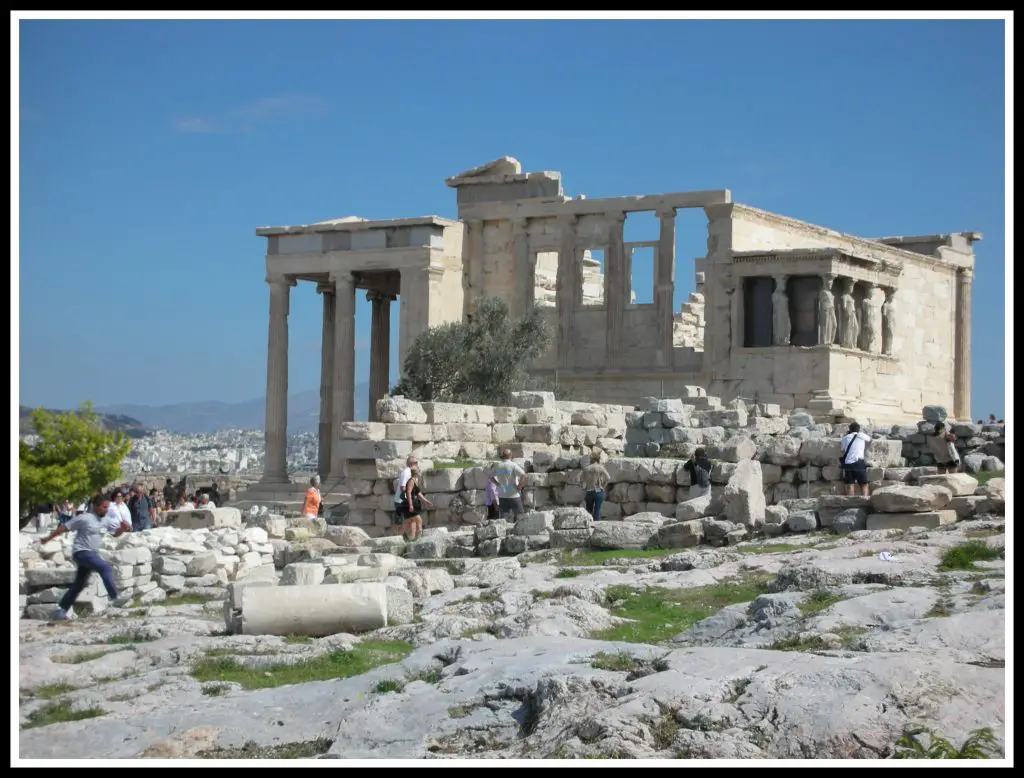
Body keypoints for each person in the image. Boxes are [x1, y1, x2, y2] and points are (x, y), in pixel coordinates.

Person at [40, 494, 132, 620]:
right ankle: (115, 597)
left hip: (92, 553)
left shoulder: (106, 520)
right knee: (105, 568)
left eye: (108, 507)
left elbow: (115, 534)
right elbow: (63, 528)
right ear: (96, 506)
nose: (106, 510)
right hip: (81, 552)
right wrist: (47, 538)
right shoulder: (84, 518)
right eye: (104, 507)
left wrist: (122, 529)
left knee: (79, 584)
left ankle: (61, 611)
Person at [398, 462, 432, 541]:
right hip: (409, 504)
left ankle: (401, 537)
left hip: (414, 503)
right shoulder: (411, 481)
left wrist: (425, 501)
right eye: (418, 470)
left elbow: (418, 492)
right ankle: (419, 536)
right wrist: (410, 505)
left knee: (408, 522)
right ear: (416, 472)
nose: (419, 471)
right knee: (418, 519)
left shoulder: (415, 479)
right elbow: (409, 493)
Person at [492, 448, 527, 521]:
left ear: (503, 456)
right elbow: (523, 474)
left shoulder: (498, 466)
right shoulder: (513, 465)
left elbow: (489, 476)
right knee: (520, 515)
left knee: (503, 516)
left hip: (502, 494)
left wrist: (497, 483)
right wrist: (519, 486)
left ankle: (503, 530)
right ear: (511, 455)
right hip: (513, 494)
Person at [839, 422, 872, 497]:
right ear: (859, 429)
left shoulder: (845, 438)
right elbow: (870, 441)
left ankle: (851, 503)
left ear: (849, 429)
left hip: (848, 463)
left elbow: (842, 449)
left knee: (850, 485)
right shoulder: (861, 435)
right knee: (863, 484)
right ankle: (864, 500)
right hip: (859, 463)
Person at [581, 450, 611, 521]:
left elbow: (581, 480)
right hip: (598, 490)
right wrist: (603, 486)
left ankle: (588, 525)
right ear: (598, 459)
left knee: (588, 510)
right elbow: (608, 478)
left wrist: (584, 487)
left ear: (592, 459)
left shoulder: (586, 468)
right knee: (597, 510)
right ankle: (596, 526)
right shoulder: (600, 467)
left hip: (589, 491)